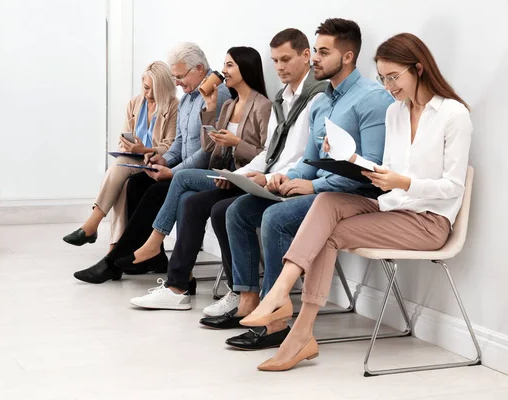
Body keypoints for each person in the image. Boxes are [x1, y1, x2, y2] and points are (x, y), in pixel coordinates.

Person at [241, 32, 472, 371]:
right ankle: (281, 296)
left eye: (394, 77)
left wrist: (402, 182)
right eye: (382, 78)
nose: (388, 85)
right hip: (393, 205)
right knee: (328, 202)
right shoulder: (396, 112)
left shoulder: (453, 114)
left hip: (428, 221)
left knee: (329, 231)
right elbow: (389, 170)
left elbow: (453, 187)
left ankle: (298, 328)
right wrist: (353, 161)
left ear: (419, 69)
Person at [223, 18, 394, 351]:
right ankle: (249, 300)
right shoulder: (323, 102)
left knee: (276, 218)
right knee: (241, 210)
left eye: (323, 52)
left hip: (355, 196)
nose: (314, 58)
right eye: (315, 50)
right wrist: (290, 178)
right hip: (321, 190)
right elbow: (309, 160)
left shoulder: (372, 99)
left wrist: (314, 187)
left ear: (347, 57)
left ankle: (276, 322)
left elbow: (370, 170)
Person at [118, 46, 272, 310]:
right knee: (188, 200)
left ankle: (155, 242)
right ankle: (177, 287)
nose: (223, 71)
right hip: (224, 175)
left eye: (230, 65)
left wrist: (236, 142)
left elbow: (267, 156)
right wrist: (210, 111)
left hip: (247, 178)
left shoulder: (263, 106)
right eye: (224, 64)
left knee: (182, 180)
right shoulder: (227, 104)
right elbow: (212, 150)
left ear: (246, 69)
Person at [194, 28, 328, 319]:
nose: (279, 67)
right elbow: (268, 152)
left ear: (306, 55)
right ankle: (247, 297)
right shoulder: (283, 98)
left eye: (285, 59)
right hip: (273, 180)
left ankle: (273, 307)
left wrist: (267, 178)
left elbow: (309, 158)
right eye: (275, 60)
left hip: (295, 184)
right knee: (234, 211)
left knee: (252, 214)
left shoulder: (319, 98)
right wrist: (239, 174)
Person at [73, 42, 231, 283]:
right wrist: (162, 159)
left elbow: (207, 152)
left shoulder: (215, 95)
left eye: (180, 76)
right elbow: (179, 142)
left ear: (199, 69)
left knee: (155, 191)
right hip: (183, 169)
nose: (176, 83)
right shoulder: (189, 97)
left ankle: (112, 263)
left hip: (201, 172)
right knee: (137, 183)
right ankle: (152, 258)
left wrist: (172, 172)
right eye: (175, 77)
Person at [62, 61, 178, 247]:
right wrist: (127, 147)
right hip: (132, 162)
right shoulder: (134, 104)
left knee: (119, 166)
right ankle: (114, 249)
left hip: (156, 162)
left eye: (153, 90)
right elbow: (124, 138)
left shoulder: (173, 106)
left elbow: (171, 147)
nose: (148, 94)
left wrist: (143, 150)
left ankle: (92, 226)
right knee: (123, 185)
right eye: (146, 88)